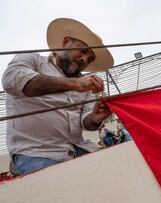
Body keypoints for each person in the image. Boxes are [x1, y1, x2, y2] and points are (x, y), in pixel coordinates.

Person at [2, 18, 114, 175]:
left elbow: (85, 122)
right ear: (66, 42)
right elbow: (13, 81)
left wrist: (95, 118)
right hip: (35, 153)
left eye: (90, 59)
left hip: (79, 149)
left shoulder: (85, 84)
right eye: (82, 50)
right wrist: (74, 84)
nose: (84, 60)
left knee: (113, 172)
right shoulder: (32, 60)